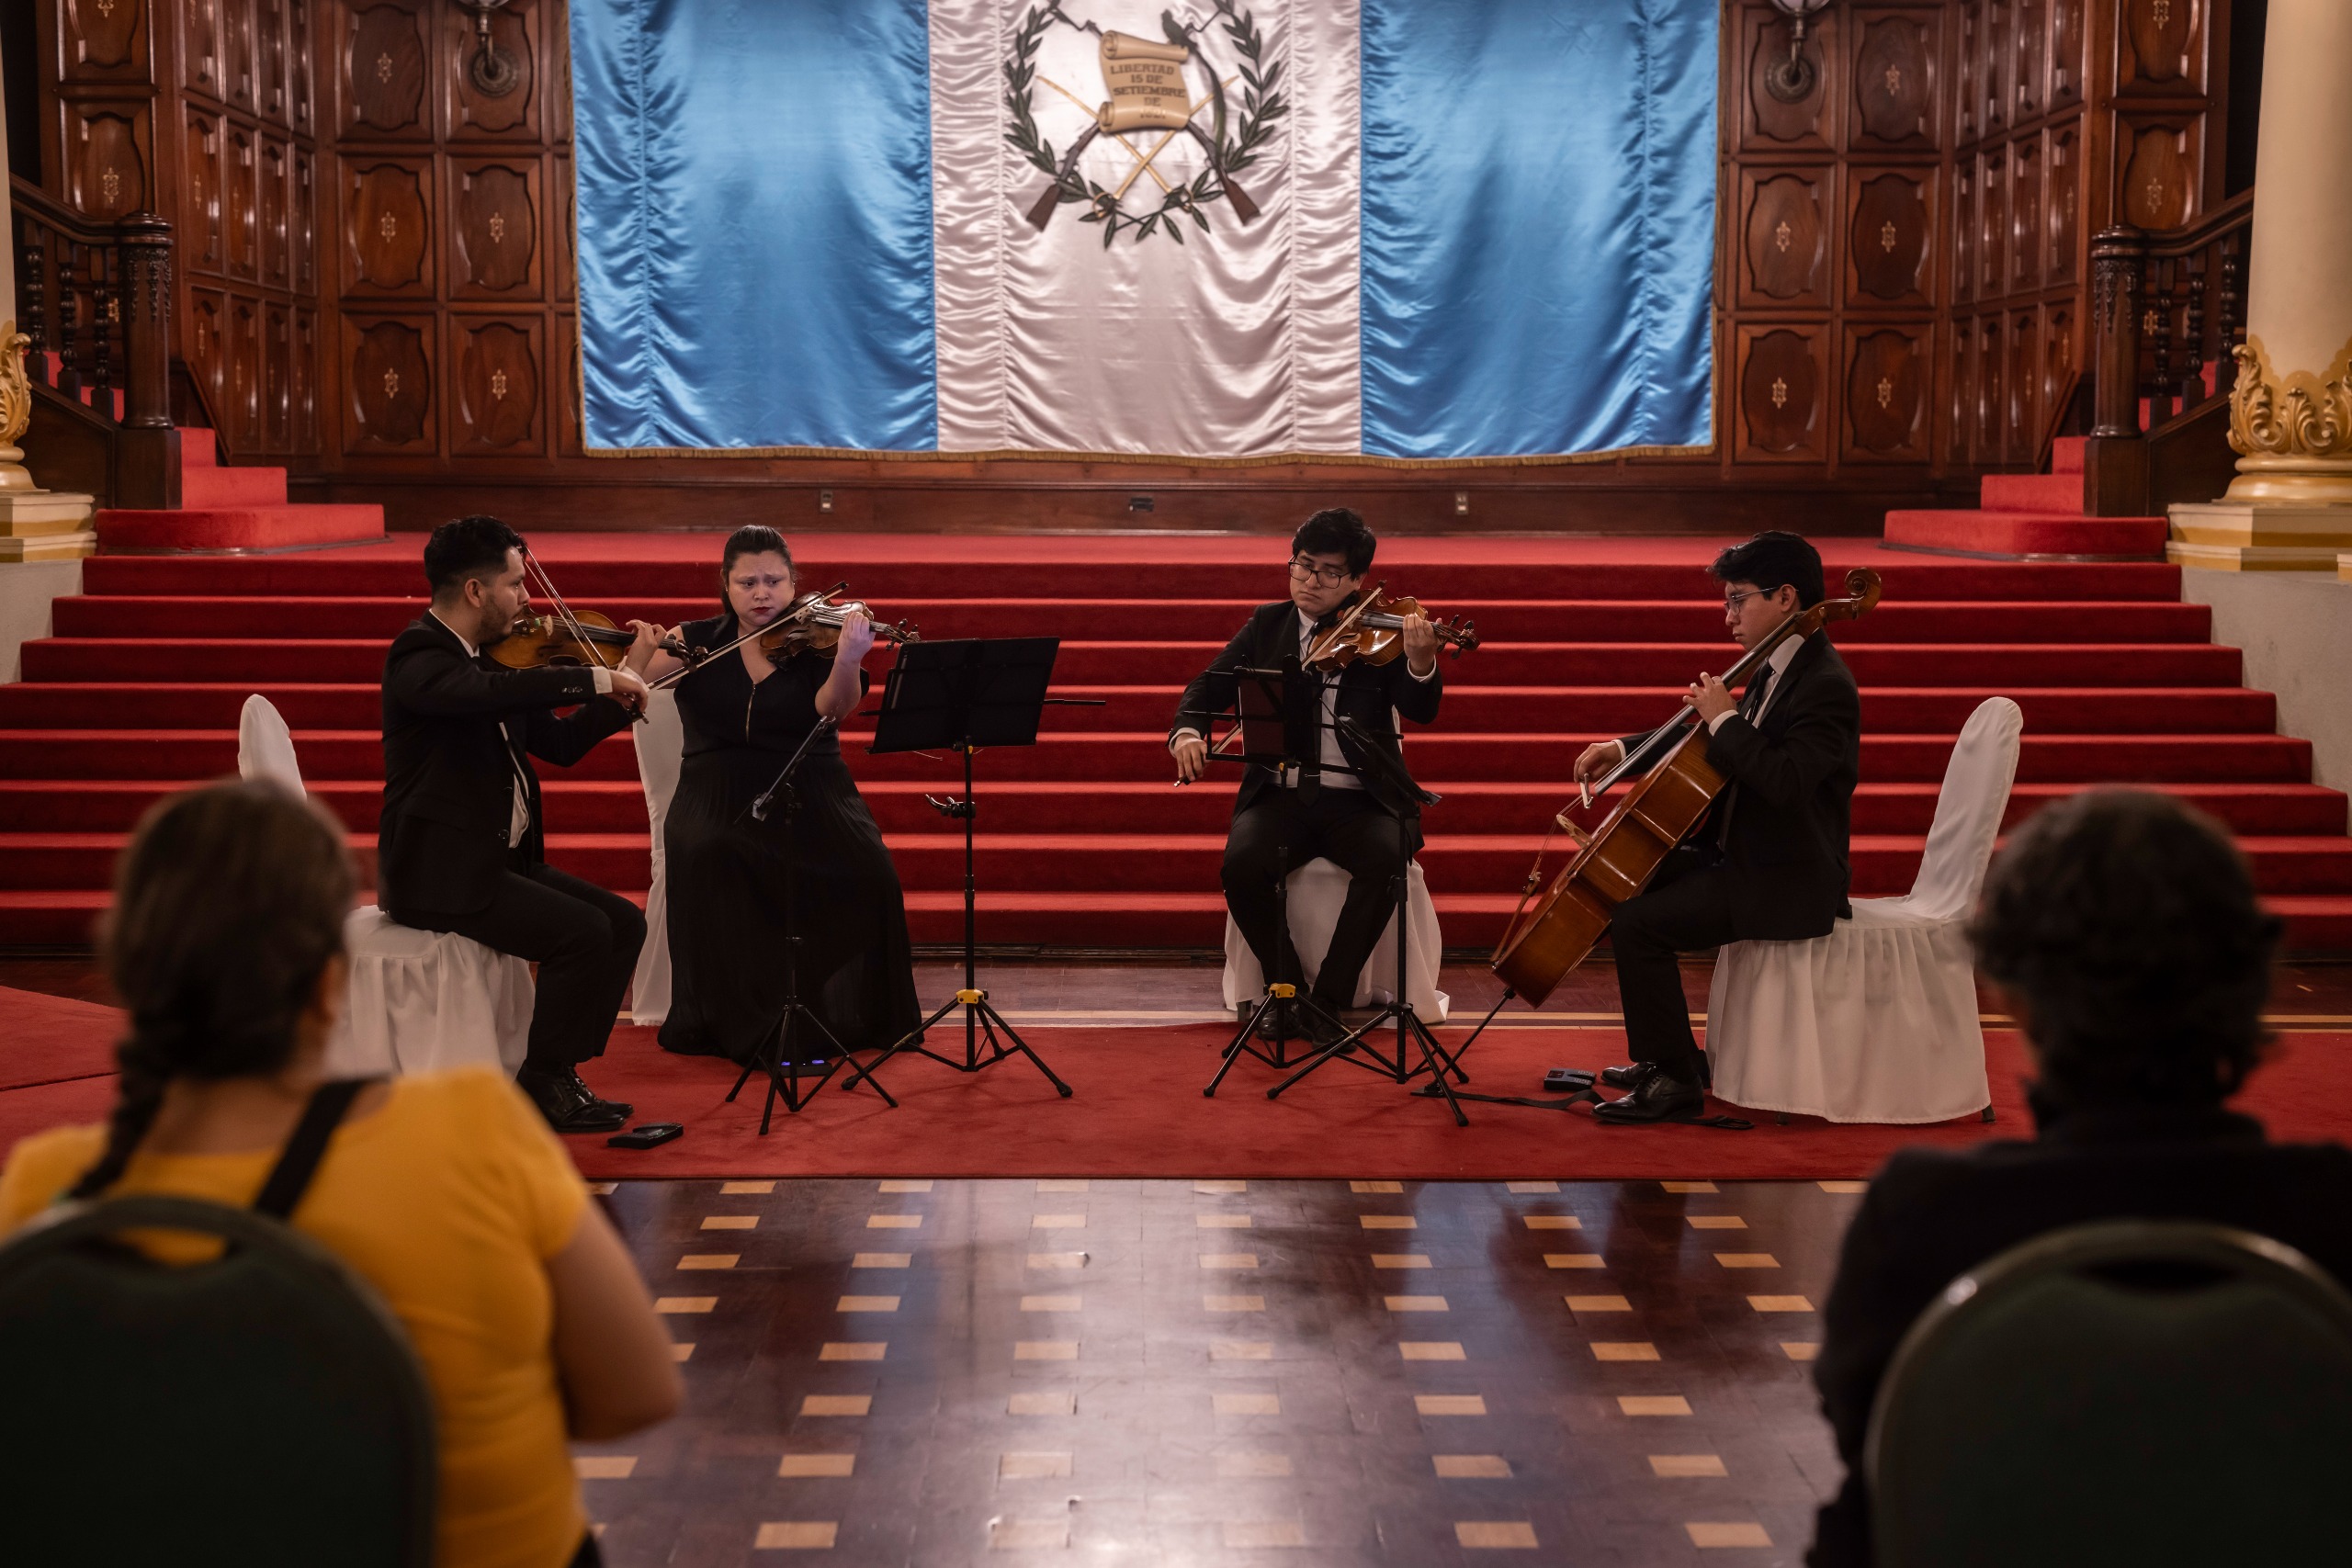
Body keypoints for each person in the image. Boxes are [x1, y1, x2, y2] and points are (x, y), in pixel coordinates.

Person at [0, 781, 683, 1568]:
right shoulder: (474, 1131)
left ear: (129, 976)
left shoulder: (52, 1186)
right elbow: (636, 1392)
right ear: (332, 979)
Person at [1806, 789, 2352, 1566]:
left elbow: (1875, 1435)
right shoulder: (2334, 1212)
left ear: (2016, 998)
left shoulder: (1925, 1217)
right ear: (2245, 981)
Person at [1571, 530, 1860, 1123]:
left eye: (1737, 599)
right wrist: (1623, 749)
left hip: (1786, 876)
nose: (1727, 615)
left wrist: (1727, 719)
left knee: (1639, 925)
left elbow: (1786, 782)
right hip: (1742, 855)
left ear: (1785, 597)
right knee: (1625, 881)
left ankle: (1676, 1080)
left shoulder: (1826, 684)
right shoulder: (1775, 665)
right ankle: (1673, 1056)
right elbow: (1707, 740)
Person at [379, 516, 656, 1134]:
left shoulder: (493, 660)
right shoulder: (420, 655)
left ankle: (557, 1070)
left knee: (622, 923)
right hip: (438, 873)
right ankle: (544, 1079)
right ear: (476, 591)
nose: (528, 599)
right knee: (582, 932)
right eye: (515, 584)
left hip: (495, 862)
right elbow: (475, 694)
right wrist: (594, 675)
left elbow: (558, 744)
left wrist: (624, 685)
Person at [628, 525, 922, 1065]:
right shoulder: (697, 639)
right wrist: (636, 658)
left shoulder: (817, 639)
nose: (762, 593)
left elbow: (834, 710)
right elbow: (629, 686)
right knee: (719, 852)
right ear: (726, 585)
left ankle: (839, 1012)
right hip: (716, 786)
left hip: (811, 779)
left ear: (793, 583)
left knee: (871, 870)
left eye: (774, 581)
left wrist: (848, 658)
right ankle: (742, 1019)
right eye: (748, 583)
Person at [1169, 508, 1441, 1045]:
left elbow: (1420, 708)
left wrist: (1420, 662)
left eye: (1329, 573)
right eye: (1303, 565)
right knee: (1241, 866)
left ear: (1358, 580)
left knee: (1386, 861)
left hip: (1361, 799)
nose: (1310, 581)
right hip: (1281, 795)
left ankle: (1329, 1000)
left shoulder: (1378, 634)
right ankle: (1286, 990)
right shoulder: (1268, 624)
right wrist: (1187, 732)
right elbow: (1208, 687)